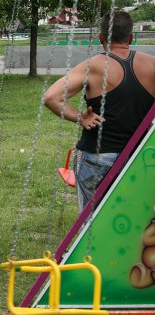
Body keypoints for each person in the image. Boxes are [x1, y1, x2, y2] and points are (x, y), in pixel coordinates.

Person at [44, 11, 154, 212]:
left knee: (92, 225)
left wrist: (80, 118)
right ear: (131, 37)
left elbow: (51, 97)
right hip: (140, 158)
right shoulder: (152, 65)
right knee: (132, 221)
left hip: (96, 158)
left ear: (101, 38)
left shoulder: (94, 65)